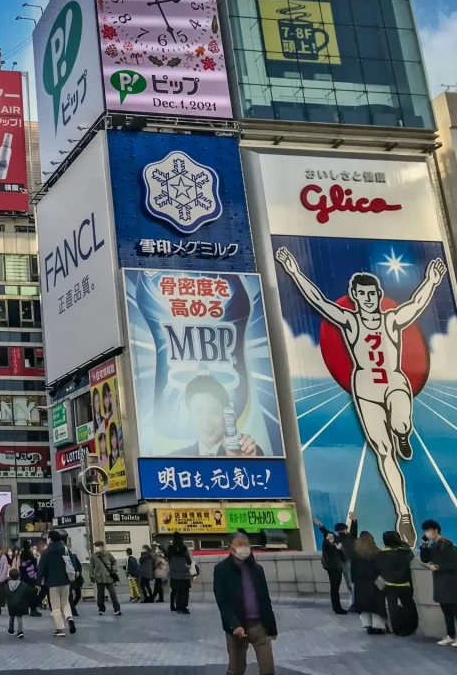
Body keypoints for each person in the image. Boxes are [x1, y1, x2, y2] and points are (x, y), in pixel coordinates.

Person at [277, 249, 448, 546]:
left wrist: (431, 281)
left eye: (372, 293)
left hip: (394, 380)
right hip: (365, 388)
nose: (368, 299)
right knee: (384, 452)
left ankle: (403, 433)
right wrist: (293, 271)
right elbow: (318, 301)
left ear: (378, 295)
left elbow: (417, 304)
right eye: (362, 294)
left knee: (401, 421)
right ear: (355, 296)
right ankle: (403, 511)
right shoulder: (350, 321)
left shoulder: (391, 319)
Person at [213, 531, 278, 675]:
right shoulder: (221, 570)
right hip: (237, 628)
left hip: (260, 626)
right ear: (231, 548)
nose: (244, 548)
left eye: (246, 544)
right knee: (236, 670)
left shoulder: (257, 569)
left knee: (268, 670)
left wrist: (272, 627)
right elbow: (222, 601)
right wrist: (234, 625)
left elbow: (265, 599)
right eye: (240, 544)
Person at [172, 375, 262, 457]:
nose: (206, 422)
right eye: (199, 412)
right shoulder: (174, 459)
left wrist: (242, 463)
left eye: (214, 412)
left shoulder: (249, 452)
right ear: (190, 415)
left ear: (225, 414)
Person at [419, 518, 457, 646]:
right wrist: (424, 545)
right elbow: (424, 558)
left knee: (454, 610)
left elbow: (453, 563)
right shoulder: (433, 546)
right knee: (446, 611)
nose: (427, 533)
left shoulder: (446, 544)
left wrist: (438, 567)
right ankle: (451, 635)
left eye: (428, 530)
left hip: (450, 583)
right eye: (425, 531)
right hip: (440, 582)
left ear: (435, 530)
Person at [377, 530, 418, 636]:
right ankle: (410, 627)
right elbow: (412, 559)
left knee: (392, 607)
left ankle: (397, 629)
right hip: (405, 584)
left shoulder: (381, 553)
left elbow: (377, 567)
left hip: (388, 585)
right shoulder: (405, 552)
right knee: (409, 606)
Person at [350, 523, 387, 635]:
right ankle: (378, 626)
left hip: (360, 583)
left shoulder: (356, 554)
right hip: (374, 582)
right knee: (376, 605)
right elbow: (381, 568)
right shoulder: (377, 552)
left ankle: (368, 626)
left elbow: (353, 571)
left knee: (364, 606)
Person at [39, 529, 75, 637]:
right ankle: (69, 618)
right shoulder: (65, 549)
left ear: (50, 539)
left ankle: (60, 629)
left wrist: (38, 582)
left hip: (52, 582)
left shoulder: (47, 552)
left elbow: (41, 568)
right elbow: (72, 563)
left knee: (55, 607)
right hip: (65, 580)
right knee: (65, 602)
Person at [314, 517, 349, 615]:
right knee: (334, 588)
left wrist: (320, 525)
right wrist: (337, 548)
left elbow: (327, 532)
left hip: (337, 567)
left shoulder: (335, 540)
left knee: (335, 587)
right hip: (333, 568)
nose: (331, 537)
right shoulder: (327, 545)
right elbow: (330, 549)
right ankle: (337, 608)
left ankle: (337, 607)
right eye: (329, 537)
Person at [90, 541, 122, 615]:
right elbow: (91, 567)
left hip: (108, 578)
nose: (96, 548)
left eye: (98, 546)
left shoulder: (108, 554)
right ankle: (101, 609)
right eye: (96, 546)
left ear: (102, 547)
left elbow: (114, 561)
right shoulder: (94, 556)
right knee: (100, 595)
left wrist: (113, 569)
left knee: (113, 594)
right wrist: (91, 576)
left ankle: (117, 609)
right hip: (99, 578)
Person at [166, 533, 194, 614]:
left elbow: (167, 556)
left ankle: (173, 606)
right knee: (184, 592)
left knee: (174, 590)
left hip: (174, 574)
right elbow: (189, 561)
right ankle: (183, 607)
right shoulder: (184, 548)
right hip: (184, 574)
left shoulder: (170, 548)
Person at [5, 567, 33, 638]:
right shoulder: (22, 584)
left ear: (10, 576)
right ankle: (20, 631)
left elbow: (5, 593)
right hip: (20, 604)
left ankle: (11, 629)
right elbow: (27, 592)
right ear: (19, 576)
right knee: (19, 618)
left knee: (11, 616)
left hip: (11, 604)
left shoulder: (7, 585)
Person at [18, 541, 42, 617]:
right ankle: (33, 609)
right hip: (31, 577)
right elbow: (34, 566)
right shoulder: (30, 556)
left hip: (23, 577)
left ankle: (25, 609)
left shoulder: (22, 555)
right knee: (33, 594)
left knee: (25, 594)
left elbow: (21, 567)